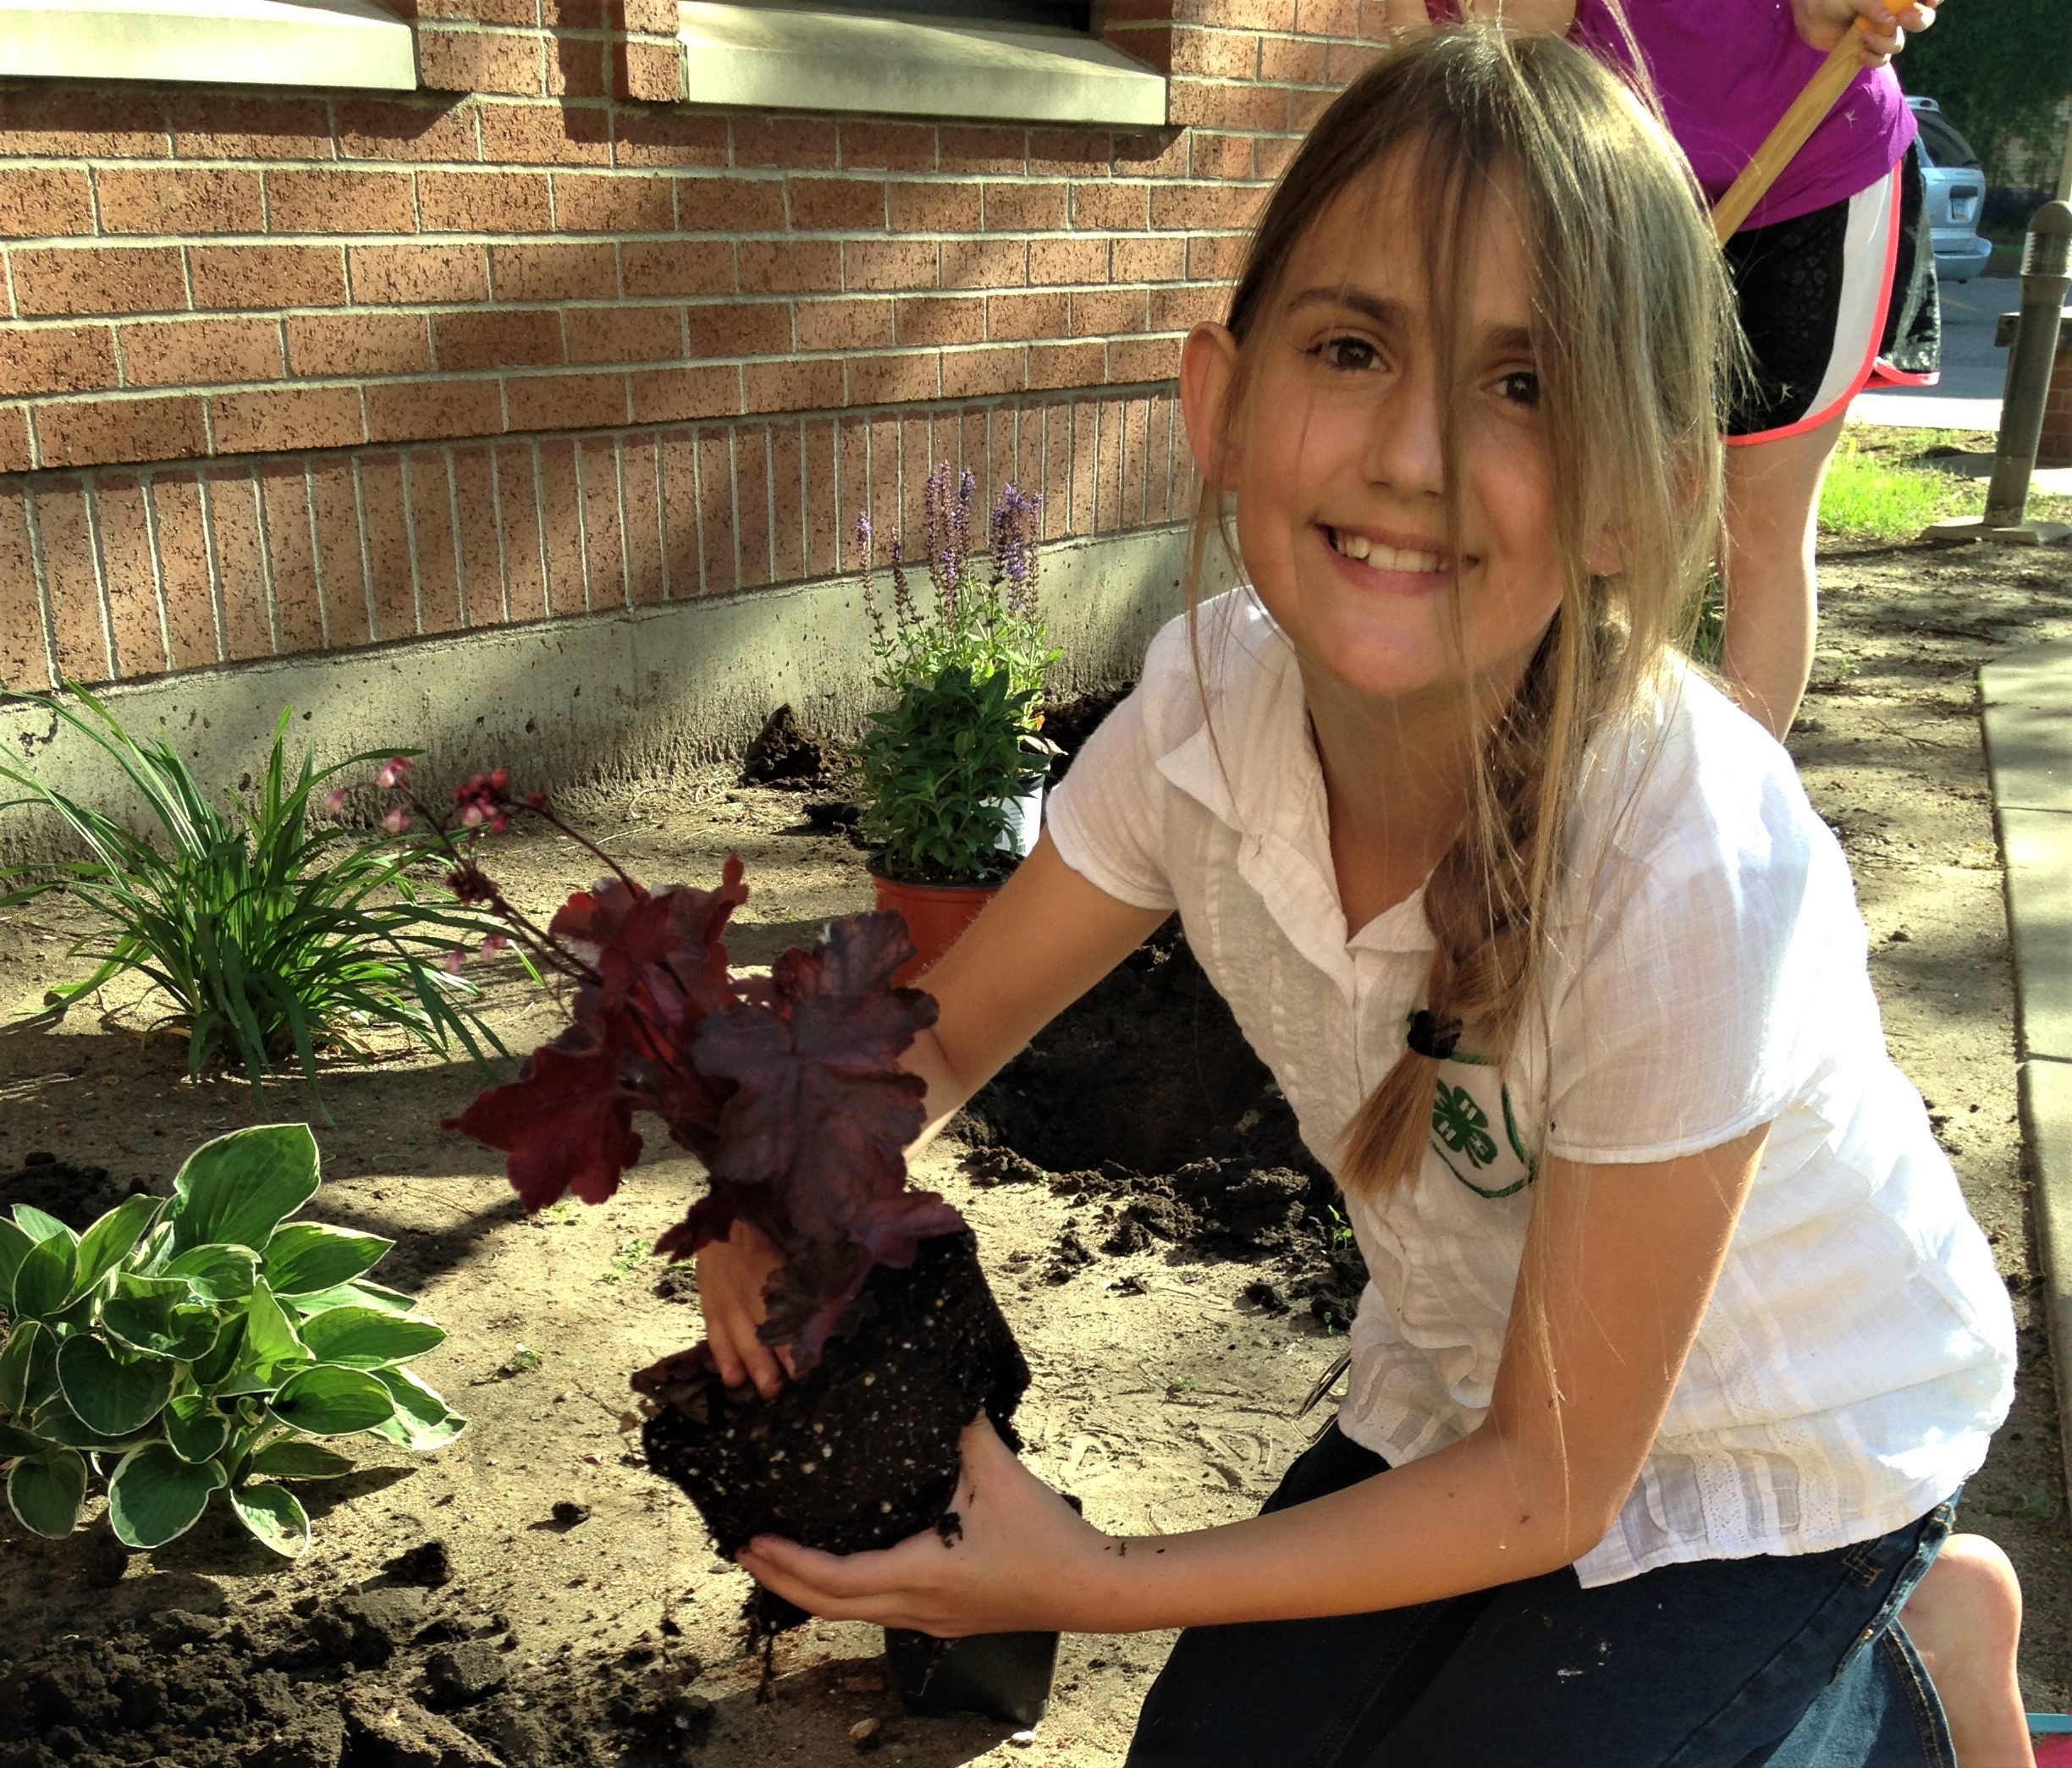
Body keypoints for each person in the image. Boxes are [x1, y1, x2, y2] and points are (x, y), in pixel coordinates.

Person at [700, 28, 2024, 1765]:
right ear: (1220, 404)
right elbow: (935, 1044)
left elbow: (1561, 1482)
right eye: (1351, 347)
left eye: (1526, 383)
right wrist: (785, 1179)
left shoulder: (1691, 861)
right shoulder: (1203, 717)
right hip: (1493, 1383)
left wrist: (1089, 1578)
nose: (1411, 450)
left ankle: (1908, 1657)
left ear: (1645, 496)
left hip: (1783, 1448)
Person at [1404, 0, 1943, 742]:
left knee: (1759, 529)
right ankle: (1515, 766)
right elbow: (1446, 85)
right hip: (1592, 176)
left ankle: (1729, 827)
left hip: (1807, 163)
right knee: (1544, 487)